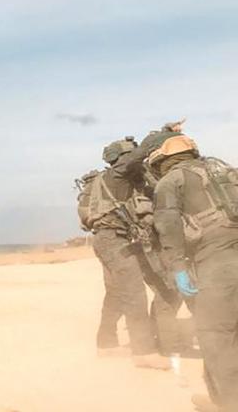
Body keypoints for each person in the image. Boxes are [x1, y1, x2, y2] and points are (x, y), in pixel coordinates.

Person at [150, 135, 238, 411]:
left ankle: (227, 403)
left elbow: (169, 227)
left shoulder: (170, 182)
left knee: (215, 333)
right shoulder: (226, 172)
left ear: (164, 161)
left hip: (216, 261)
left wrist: (178, 267)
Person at [81, 138, 172, 369]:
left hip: (112, 240)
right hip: (114, 239)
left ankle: (106, 344)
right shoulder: (116, 176)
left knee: (116, 294)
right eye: (130, 156)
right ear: (120, 159)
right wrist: (164, 134)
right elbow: (136, 156)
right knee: (134, 293)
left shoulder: (125, 182)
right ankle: (143, 352)